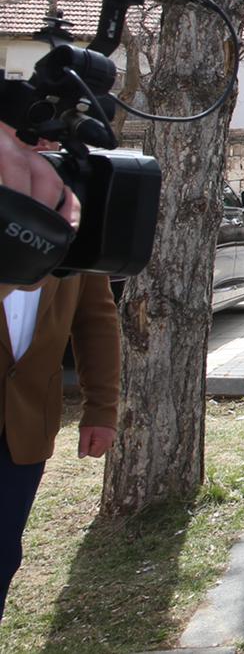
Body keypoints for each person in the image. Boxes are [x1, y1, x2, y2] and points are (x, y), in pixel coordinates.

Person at [0, 126, 118, 623]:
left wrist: (102, 409)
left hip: (23, 429)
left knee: (4, 554)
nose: (46, 151)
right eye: (32, 139)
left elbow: (96, 320)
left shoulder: (72, 221)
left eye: (55, 142)